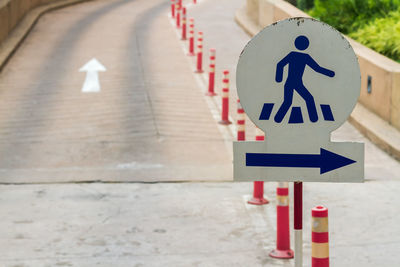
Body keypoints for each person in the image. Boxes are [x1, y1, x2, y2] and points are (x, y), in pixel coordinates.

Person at [274, 35, 335, 123]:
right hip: (297, 83)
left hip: (290, 83)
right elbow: (317, 68)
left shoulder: (292, 54)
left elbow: (280, 64)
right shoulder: (305, 57)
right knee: (308, 99)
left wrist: (279, 78)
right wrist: (330, 73)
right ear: (306, 45)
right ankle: (314, 119)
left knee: (288, 102)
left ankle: (277, 119)